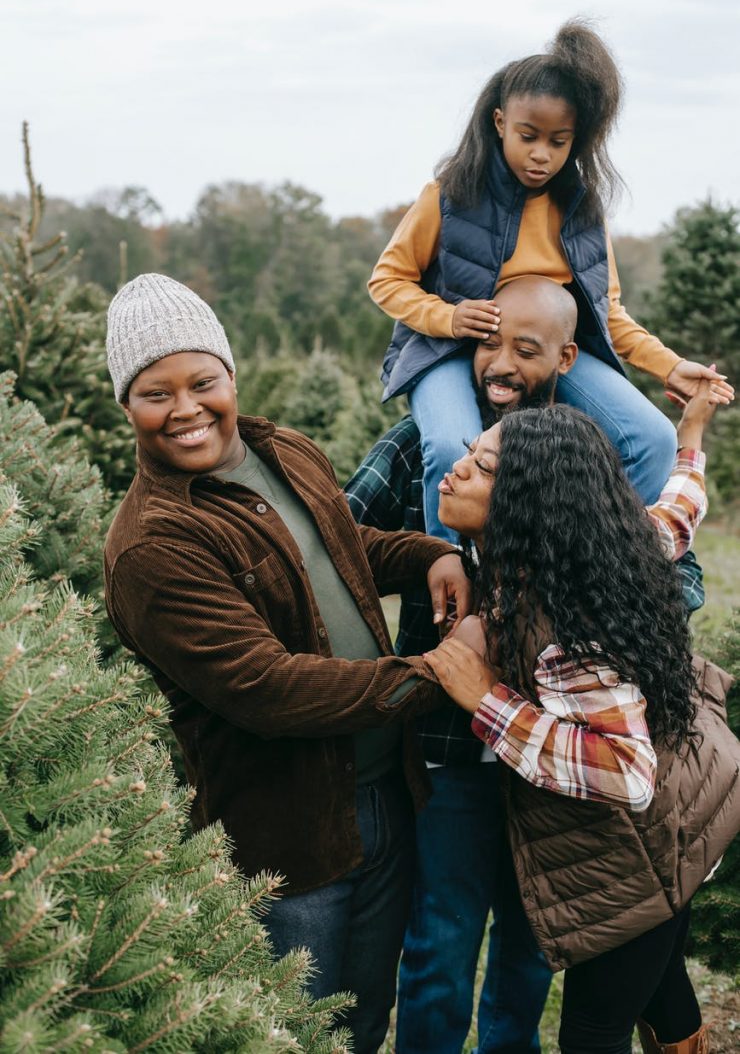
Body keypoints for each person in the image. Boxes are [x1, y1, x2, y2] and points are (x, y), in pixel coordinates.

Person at [103, 273, 472, 1054]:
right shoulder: (152, 544)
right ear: (126, 405)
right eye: (155, 393)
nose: (186, 409)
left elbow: (338, 545)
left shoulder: (284, 450)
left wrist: (428, 555)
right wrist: (439, 674)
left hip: (386, 796)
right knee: (291, 1037)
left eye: (202, 382)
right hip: (290, 840)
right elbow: (265, 689)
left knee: (363, 1022)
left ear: (231, 376)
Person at [346, 276, 704, 1054]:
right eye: (488, 342)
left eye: (526, 349)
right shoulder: (424, 446)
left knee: (531, 944)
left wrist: (596, 606)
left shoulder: (575, 456)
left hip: (555, 765)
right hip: (450, 752)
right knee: (440, 944)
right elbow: (340, 543)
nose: (500, 364)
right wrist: (430, 556)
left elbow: (667, 555)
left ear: (565, 358)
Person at [423, 387, 740, 1054]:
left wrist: (487, 699)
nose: (457, 469)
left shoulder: (564, 632)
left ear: (526, 505)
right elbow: (678, 513)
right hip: (689, 816)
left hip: (646, 849)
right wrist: (691, 434)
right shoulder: (604, 547)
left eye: (482, 468)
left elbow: (626, 773)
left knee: (593, 1032)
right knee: (661, 988)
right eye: (471, 453)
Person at [368, 19, 733, 542]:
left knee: (652, 437)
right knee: (451, 446)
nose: (541, 154)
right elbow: (387, 280)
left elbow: (606, 312)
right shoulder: (449, 195)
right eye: (528, 137)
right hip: (446, 349)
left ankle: (606, 567)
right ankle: (447, 573)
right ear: (500, 122)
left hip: (542, 350)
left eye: (558, 142)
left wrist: (670, 367)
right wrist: (448, 317)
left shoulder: (582, 211)